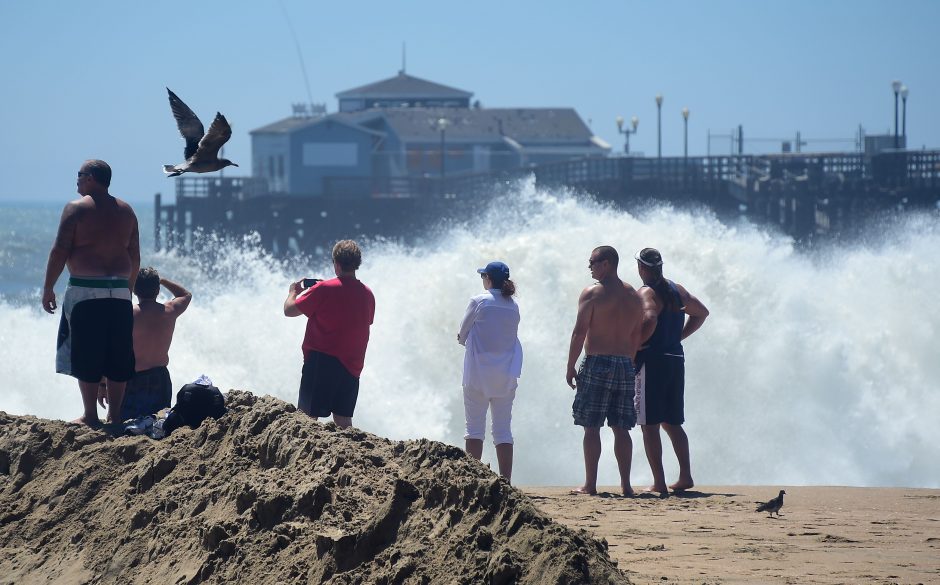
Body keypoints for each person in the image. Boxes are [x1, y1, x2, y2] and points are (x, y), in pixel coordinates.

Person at [42, 160, 140, 426]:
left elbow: (60, 249)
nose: (76, 179)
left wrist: (48, 287)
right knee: (118, 355)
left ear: (92, 179)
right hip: (119, 292)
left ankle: (90, 415)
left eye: (80, 175)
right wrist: (127, 290)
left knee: (87, 353)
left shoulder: (76, 209)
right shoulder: (127, 211)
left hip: (86, 292)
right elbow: (134, 255)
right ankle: (116, 416)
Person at [566, 246, 646, 496]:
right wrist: (629, 361)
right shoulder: (634, 295)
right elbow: (636, 335)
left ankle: (590, 484)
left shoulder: (593, 294)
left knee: (592, 426)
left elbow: (580, 332)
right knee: (621, 427)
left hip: (597, 362)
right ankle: (626, 486)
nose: (589, 266)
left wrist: (570, 365)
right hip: (624, 363)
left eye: (593, 262)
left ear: (607, 263)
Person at [634, 247, 709, 495]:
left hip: (653, 361)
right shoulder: (677, 289)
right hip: (675, 359)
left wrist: (634, 347)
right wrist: (678, 336)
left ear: (642, 268)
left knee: (649, 424)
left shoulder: (646, 292)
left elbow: (650, 319)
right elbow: (701, 313)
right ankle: (685, 476)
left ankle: (659, 482)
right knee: (672, 422)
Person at [283, 240, 375, 429]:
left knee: (306, 420)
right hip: (352, 366)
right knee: (343, 422)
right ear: (357, 264)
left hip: (321, 361)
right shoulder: (367, 294)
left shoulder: (324, 289)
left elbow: (289, 310)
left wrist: (293, 292)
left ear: (337, 264)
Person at [457, 261, 523, 482]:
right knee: (503, 430)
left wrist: (464, 338)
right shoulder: (513, 305)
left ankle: (472, 481)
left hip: (477, 374)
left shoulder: (478, 301)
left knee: (474, 430)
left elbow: (462, 334)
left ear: (488, 278)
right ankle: (506, 481)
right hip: (506, 375)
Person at [111, 267, 192, 421]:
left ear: (134, 290)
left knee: (127, 424)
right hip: (160, 379)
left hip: (132, 380)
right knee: (157, 423)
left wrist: (103, 386)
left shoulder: (127, 314)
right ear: (157, 290)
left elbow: (111, 353)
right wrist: (161, 279)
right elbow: (185, 294)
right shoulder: (170, 310)